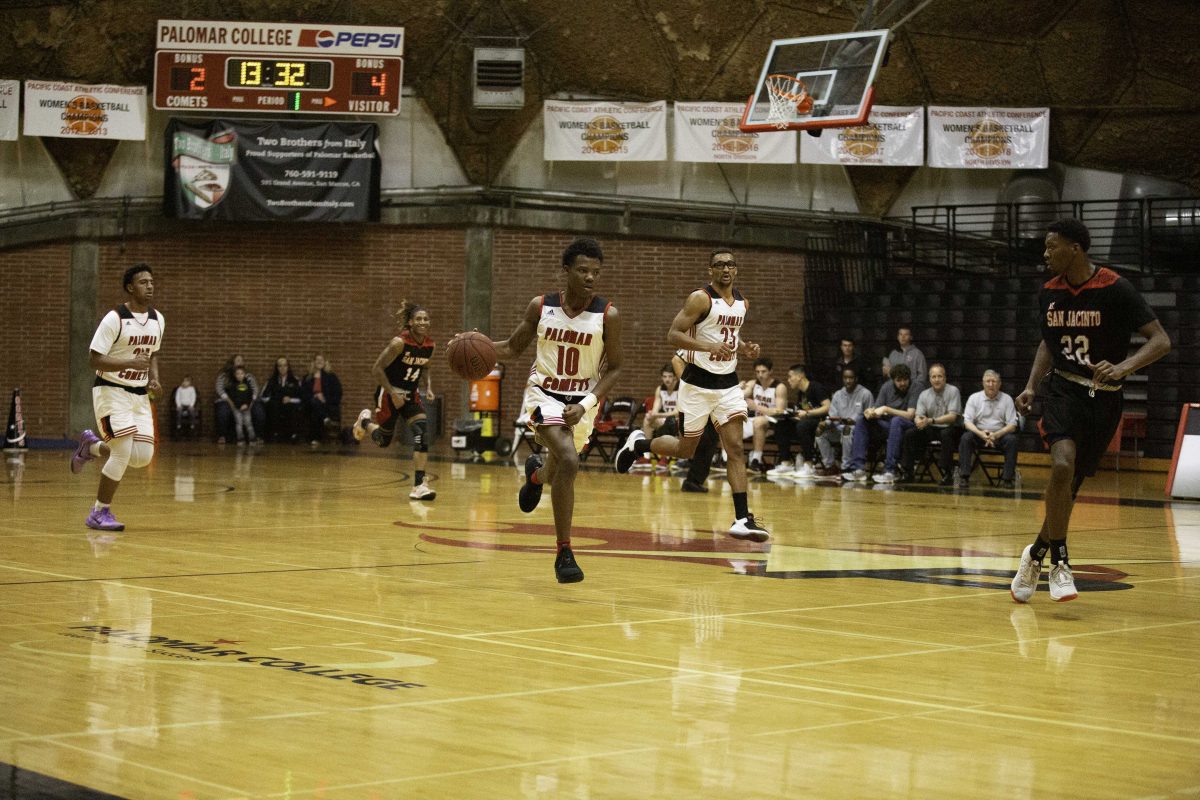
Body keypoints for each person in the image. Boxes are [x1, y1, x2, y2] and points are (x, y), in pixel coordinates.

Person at [1010, 218, 1170, 603]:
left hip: (1105, 396)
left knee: (1072, 485)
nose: (1045, 255)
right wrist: (1032, 385)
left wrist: (1123, 367)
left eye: (1052, 247)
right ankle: (1060, 563)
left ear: (1075, 249)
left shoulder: (1115, 288)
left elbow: (1161, 341)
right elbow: (1048, 344)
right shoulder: (1049, 292)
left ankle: (1035, 555)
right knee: (1062, 466)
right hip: (1063, 389)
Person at [492, 237, 624, 584]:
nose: (590, 277)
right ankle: (564, 550)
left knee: (558, 463)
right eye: (582, 270)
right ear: (565, 271)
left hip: (582, 403)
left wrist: (585, 405)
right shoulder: (541, 306)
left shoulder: (607, 314)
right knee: (568, 458)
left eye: (596, 271)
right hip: (544, 394)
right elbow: (510, 347)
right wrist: (472, 345)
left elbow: (616, 369)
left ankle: (536, 476)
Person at [615, 247, 768, 542]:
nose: (725, 269)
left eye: (730, 264)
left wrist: (745, 347)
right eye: (719, 265)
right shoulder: (700, 298)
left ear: (736, 269)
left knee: (735, 448)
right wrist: (707, 348)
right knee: (687, 450)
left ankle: (741, 519)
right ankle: (639, 445)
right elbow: (672, 334)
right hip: (697, 385)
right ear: (710, 270)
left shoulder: (741, 303)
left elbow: (729, 335)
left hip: (728, 385)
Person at [70, 264, 164, 531]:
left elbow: (152, 354)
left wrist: (154, 378)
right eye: (143, 282)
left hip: (139, 396)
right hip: (110, 391)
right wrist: (128, 363)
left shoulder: (158, 319)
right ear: (130, 288)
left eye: (152, 281)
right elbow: (94, 359)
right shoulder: (114, 318)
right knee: (122, 452)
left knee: (142, 457)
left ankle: (92, 447)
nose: (150, 286)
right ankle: (99, 512)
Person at [353, 300, 438, 501]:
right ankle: (364, 422)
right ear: (410, 322)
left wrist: (429, 387)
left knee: (421, 433)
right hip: (389, 394)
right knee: (383, 440)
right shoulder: (398, 343)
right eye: (418, 319)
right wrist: (392, 393)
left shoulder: (430, 345)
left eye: (426, 319)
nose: (423, 322)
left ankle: (419, 485)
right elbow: (377, 369)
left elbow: (425, 367)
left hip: (411, 395)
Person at [841, 362, 917, 483]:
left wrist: (887, 409)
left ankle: (890, 471)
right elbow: (876, 408)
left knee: (896, 421)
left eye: (905, 380)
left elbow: (910, 415)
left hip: (908, 427)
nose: (902, 383)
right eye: (899, 380)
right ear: (893, 380)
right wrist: (870, 412)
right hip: (888, 426)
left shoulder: (915, 387)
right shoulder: (886, 387)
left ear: (909, 378)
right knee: (861, 419)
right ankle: (858, 469)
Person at [900, 363, 963, 485]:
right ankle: (907, 471)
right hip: (931, 427)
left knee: (946, 434)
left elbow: (952, 417)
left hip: (950, 427)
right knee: (910, 433)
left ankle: (947, 473)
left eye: (939, 376)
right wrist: (918, 421)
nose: (937, 379)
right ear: (929, 379)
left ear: (945, 378)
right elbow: (918, 415)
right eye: (933, 377)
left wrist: (931, 420)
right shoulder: (924, 394)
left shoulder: (953, 391)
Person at [957, 370, 1020, 488]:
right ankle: (964, 477)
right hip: (979, 433)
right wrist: (980, 433)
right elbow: (967, 422)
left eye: (994, 381)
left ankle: (1007, 479)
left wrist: (996, 435)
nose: (991, 384)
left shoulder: (1007, 399)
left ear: (1000, 384)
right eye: (988, 381)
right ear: (983, 383)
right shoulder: (974, 398)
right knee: (966, 438)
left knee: (1012, 440)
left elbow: (1012, 425)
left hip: (1000, 435)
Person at [772, 364, 830, 479]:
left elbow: (827, 407)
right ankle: (786, 463)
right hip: (806, 421)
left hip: (821, 422)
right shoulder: (801, 393)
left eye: (790, 377)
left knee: (802, 426)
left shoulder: (815, 387)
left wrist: (808, 413)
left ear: (799, 376)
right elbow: (802, 411)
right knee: (781, 423)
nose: (788, 380)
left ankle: (809, 465)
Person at [816, 367, 874, 475]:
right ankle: (830, 465)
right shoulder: (838, 394)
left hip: (857, 431)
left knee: (847, 430)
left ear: (856, 378)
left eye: (851, 378)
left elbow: (870, 416)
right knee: (820, 432)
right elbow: (832, 415)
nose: (848, 381)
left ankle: (846, 466)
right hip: (838, 429)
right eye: (845, 378)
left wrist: (855, 422)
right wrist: (825, 423)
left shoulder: (866, 394)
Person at [743, 357, 786, 472]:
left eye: (763, 372)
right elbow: (740, 395)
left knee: (759, 421)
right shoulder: (753, 383)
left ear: (771, 371)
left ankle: (756, 460)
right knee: (728, 421)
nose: (760, 375)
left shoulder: (779, 387)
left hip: (774, 422)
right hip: (757, 419)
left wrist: (756, 407)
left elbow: (780, 411)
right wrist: (737, 387)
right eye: (757, 372)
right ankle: (725, 458)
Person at [214, 355, 261, 444]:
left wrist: (249, 403)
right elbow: (219, 389)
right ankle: (223, 436)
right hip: (228, 401)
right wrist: (231, 402)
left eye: (242, 360)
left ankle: (256, 436)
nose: (240, 362)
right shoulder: (224, 376)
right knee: (223, 410)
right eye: (238, 360)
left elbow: (254, 390)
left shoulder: (248, 376)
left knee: (258, 411)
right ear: (232, 363)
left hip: (247, 401)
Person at [301, 354, 343, 445]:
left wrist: (324, 398)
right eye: (317, 359)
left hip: (327, 404)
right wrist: (315, 396)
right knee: (314, 403)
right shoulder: (308, 377)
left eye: (321, 360)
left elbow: (338, 393)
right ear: (314, 362)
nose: (319, 361)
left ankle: (316, 438)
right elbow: (303, 394)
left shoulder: (331, 377)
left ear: (325, 362)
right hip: (310, 404)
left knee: (316, 409)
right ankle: (325, 419)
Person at [261, 357, 304, 443]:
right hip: (276, 405)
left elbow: (302, 398)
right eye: (280, 366)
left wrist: (290, 400)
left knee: (294, 408)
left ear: (288, 367)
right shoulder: (271, 381)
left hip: (290, 405)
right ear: (277, 368)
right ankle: (274, 434)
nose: (282, 368)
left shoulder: (295, 380)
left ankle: (293, 435)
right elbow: (263, 397)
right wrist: (276, 399)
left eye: (285, 365)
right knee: (273, 406)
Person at [228, 366, 256, 445]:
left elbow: (250, 396)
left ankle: (252, 439)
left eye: (241, 373)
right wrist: (238, 405)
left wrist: (246, 404)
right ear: (234, 375)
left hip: (246, 408)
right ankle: (240, 439)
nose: (240, 375)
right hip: (237, 408)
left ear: (245, 374)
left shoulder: (248, 385)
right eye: (238, 374)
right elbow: (232, 397)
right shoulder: (233, 386)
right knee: (239, 423)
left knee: (248, 423)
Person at [174, 375, 197, 439]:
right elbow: (177, 398)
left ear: (190, 383)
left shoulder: (192, 389)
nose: (185, 382)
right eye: (184, 381)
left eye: (187, 381)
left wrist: (191, 405)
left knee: (192, 412)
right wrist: (178, 405)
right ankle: (178, 426)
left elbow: (193, 398)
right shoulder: (179, 389)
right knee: (179, 412)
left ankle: (192, 426)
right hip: (181, 405)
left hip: (189, 405)